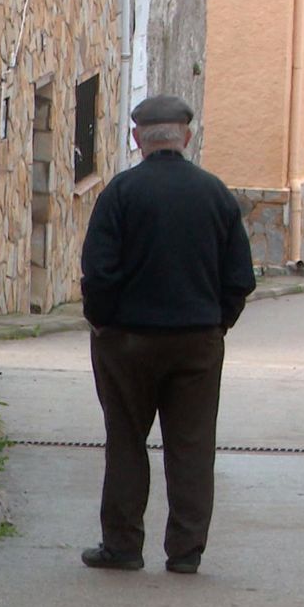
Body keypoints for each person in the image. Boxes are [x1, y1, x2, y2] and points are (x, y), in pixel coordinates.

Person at [78, 95, 256, 574]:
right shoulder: (215, 194)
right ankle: (185, 551)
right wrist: (217, 322)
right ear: (187, 137)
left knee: (126, 442)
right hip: (197, 339)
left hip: (127, 341)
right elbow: (240, 276)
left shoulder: (120, 193)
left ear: (137, 139)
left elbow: (98, 272)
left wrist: (103, 320)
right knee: (192, 446)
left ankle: (122, 545)